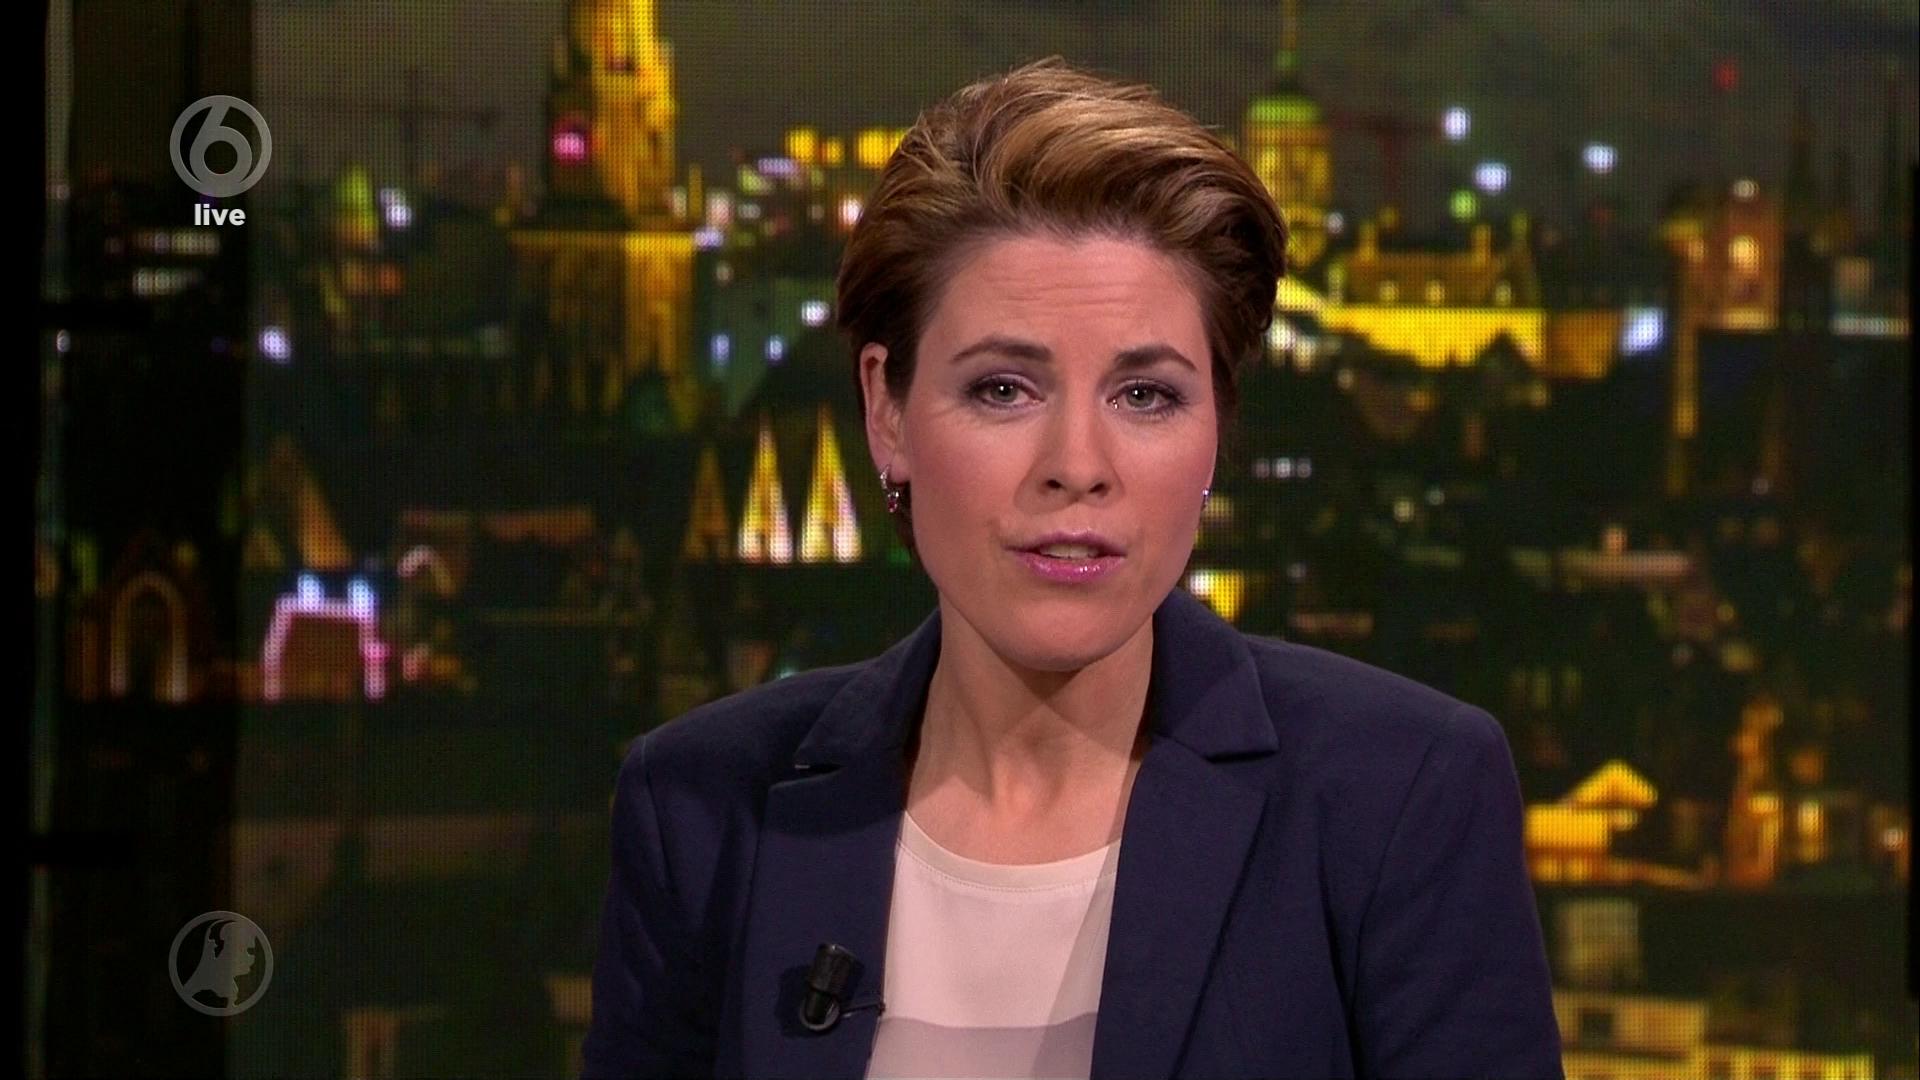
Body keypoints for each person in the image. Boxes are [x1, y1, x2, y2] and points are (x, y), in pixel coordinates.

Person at [582, 55, 1564, 1080]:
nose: (1077, 466)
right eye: (1004, 389)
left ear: (1217, 431)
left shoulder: (1401, 800)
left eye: (1146, 396)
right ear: (887, 412)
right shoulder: (702, 809)